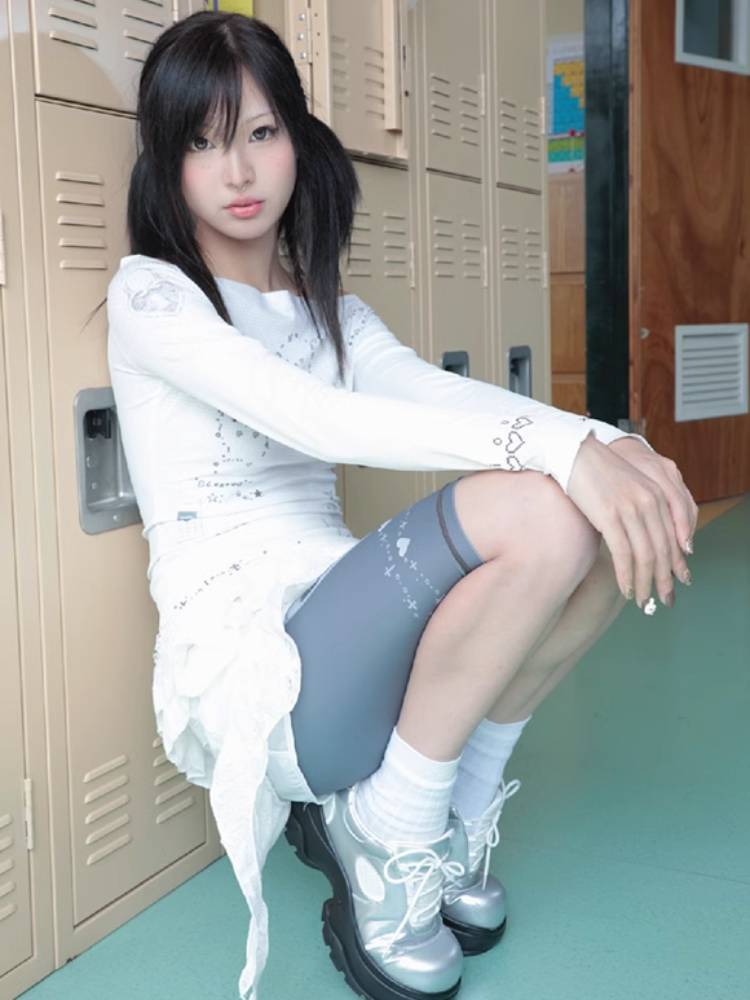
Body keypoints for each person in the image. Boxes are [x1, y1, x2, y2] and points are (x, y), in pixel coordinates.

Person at [105, 11, 698, 1000]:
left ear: (297, 139)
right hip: (270, 676)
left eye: (260, 132)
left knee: (590, 522)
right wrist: (568, 454)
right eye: (202, 144)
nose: (238, 171)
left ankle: (446, 812)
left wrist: (607, 443)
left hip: (353, 646)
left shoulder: (331, 311)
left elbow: (437, 395)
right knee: (541, 507)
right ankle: (383, 835)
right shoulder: (153, 298)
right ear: (166, 166)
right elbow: (314, 418)